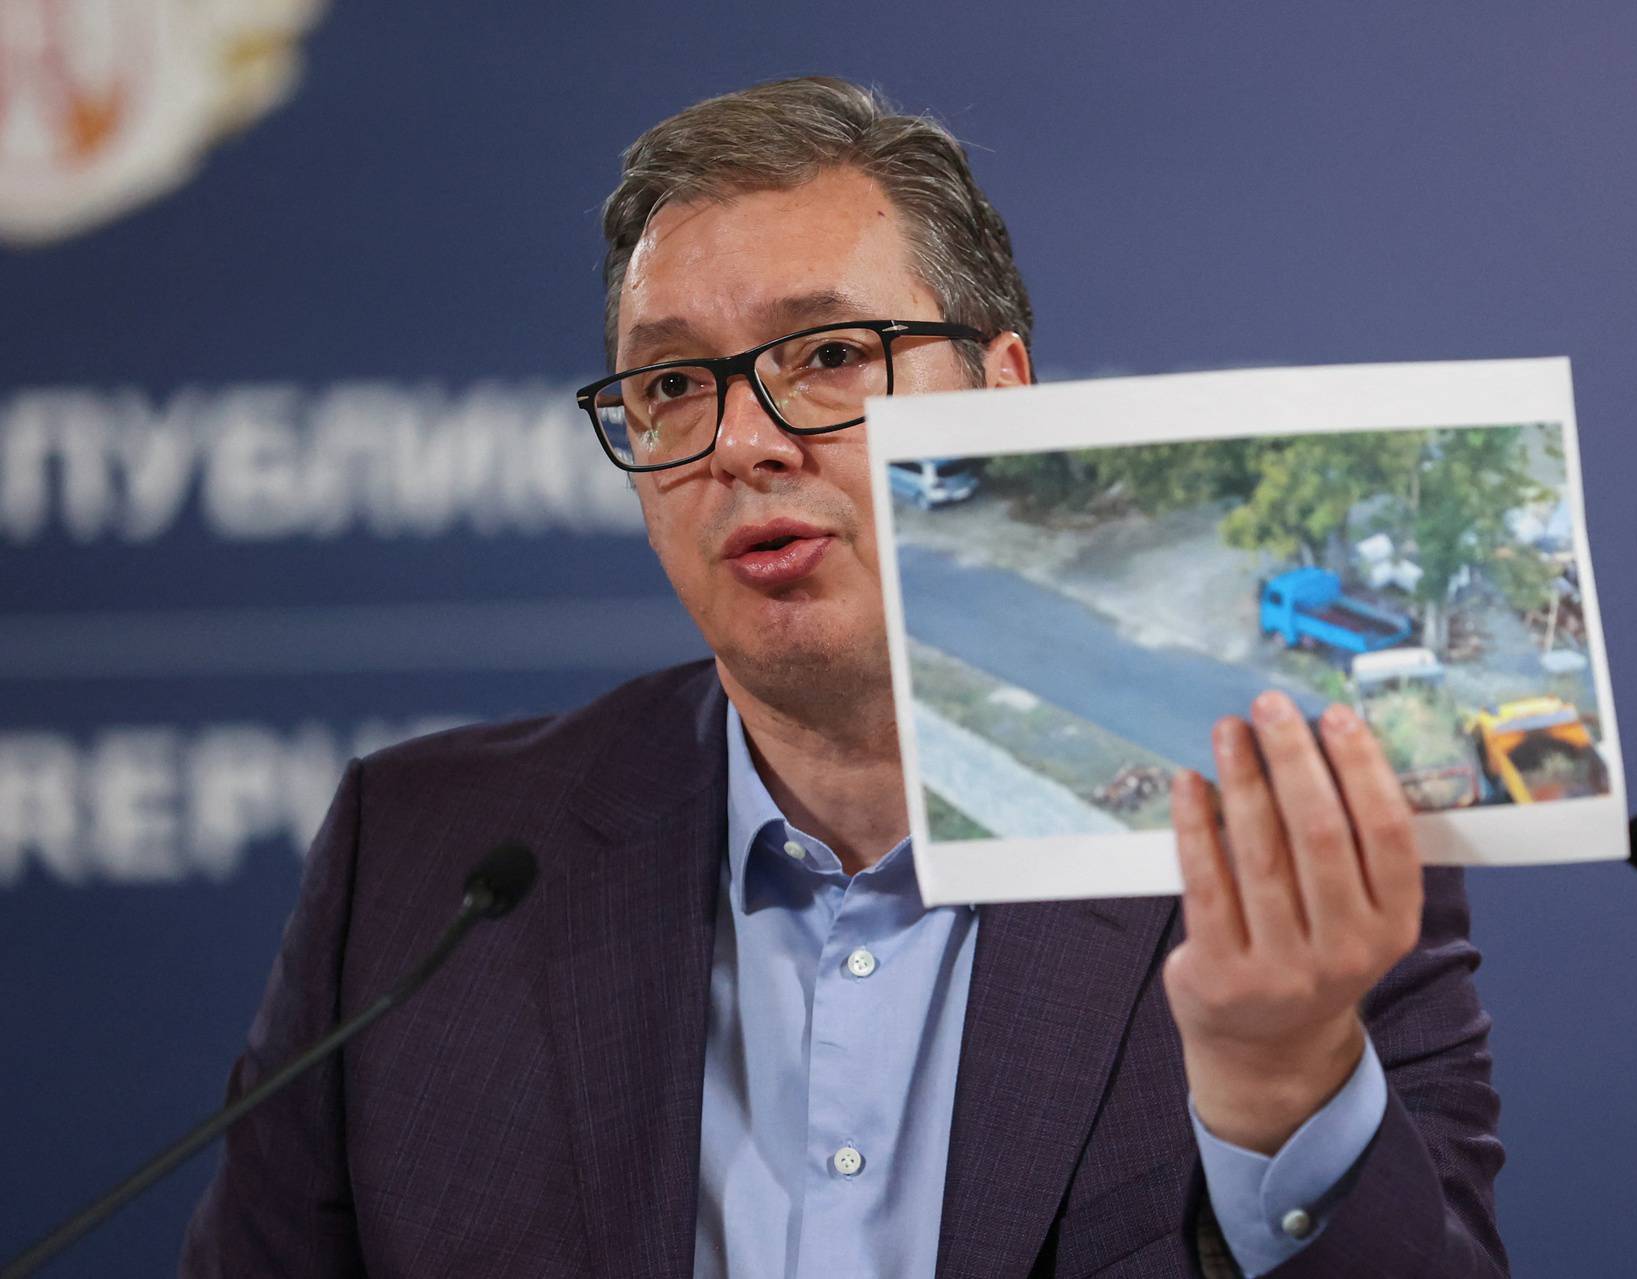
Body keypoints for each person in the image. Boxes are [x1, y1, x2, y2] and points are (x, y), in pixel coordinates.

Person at [183, 76, 1505, 1278]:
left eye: (826, 356)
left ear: (1001, 397)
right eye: (673, 386)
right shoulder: (423, 868)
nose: (742, 441)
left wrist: (1280, 1084)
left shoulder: (1276, 841)